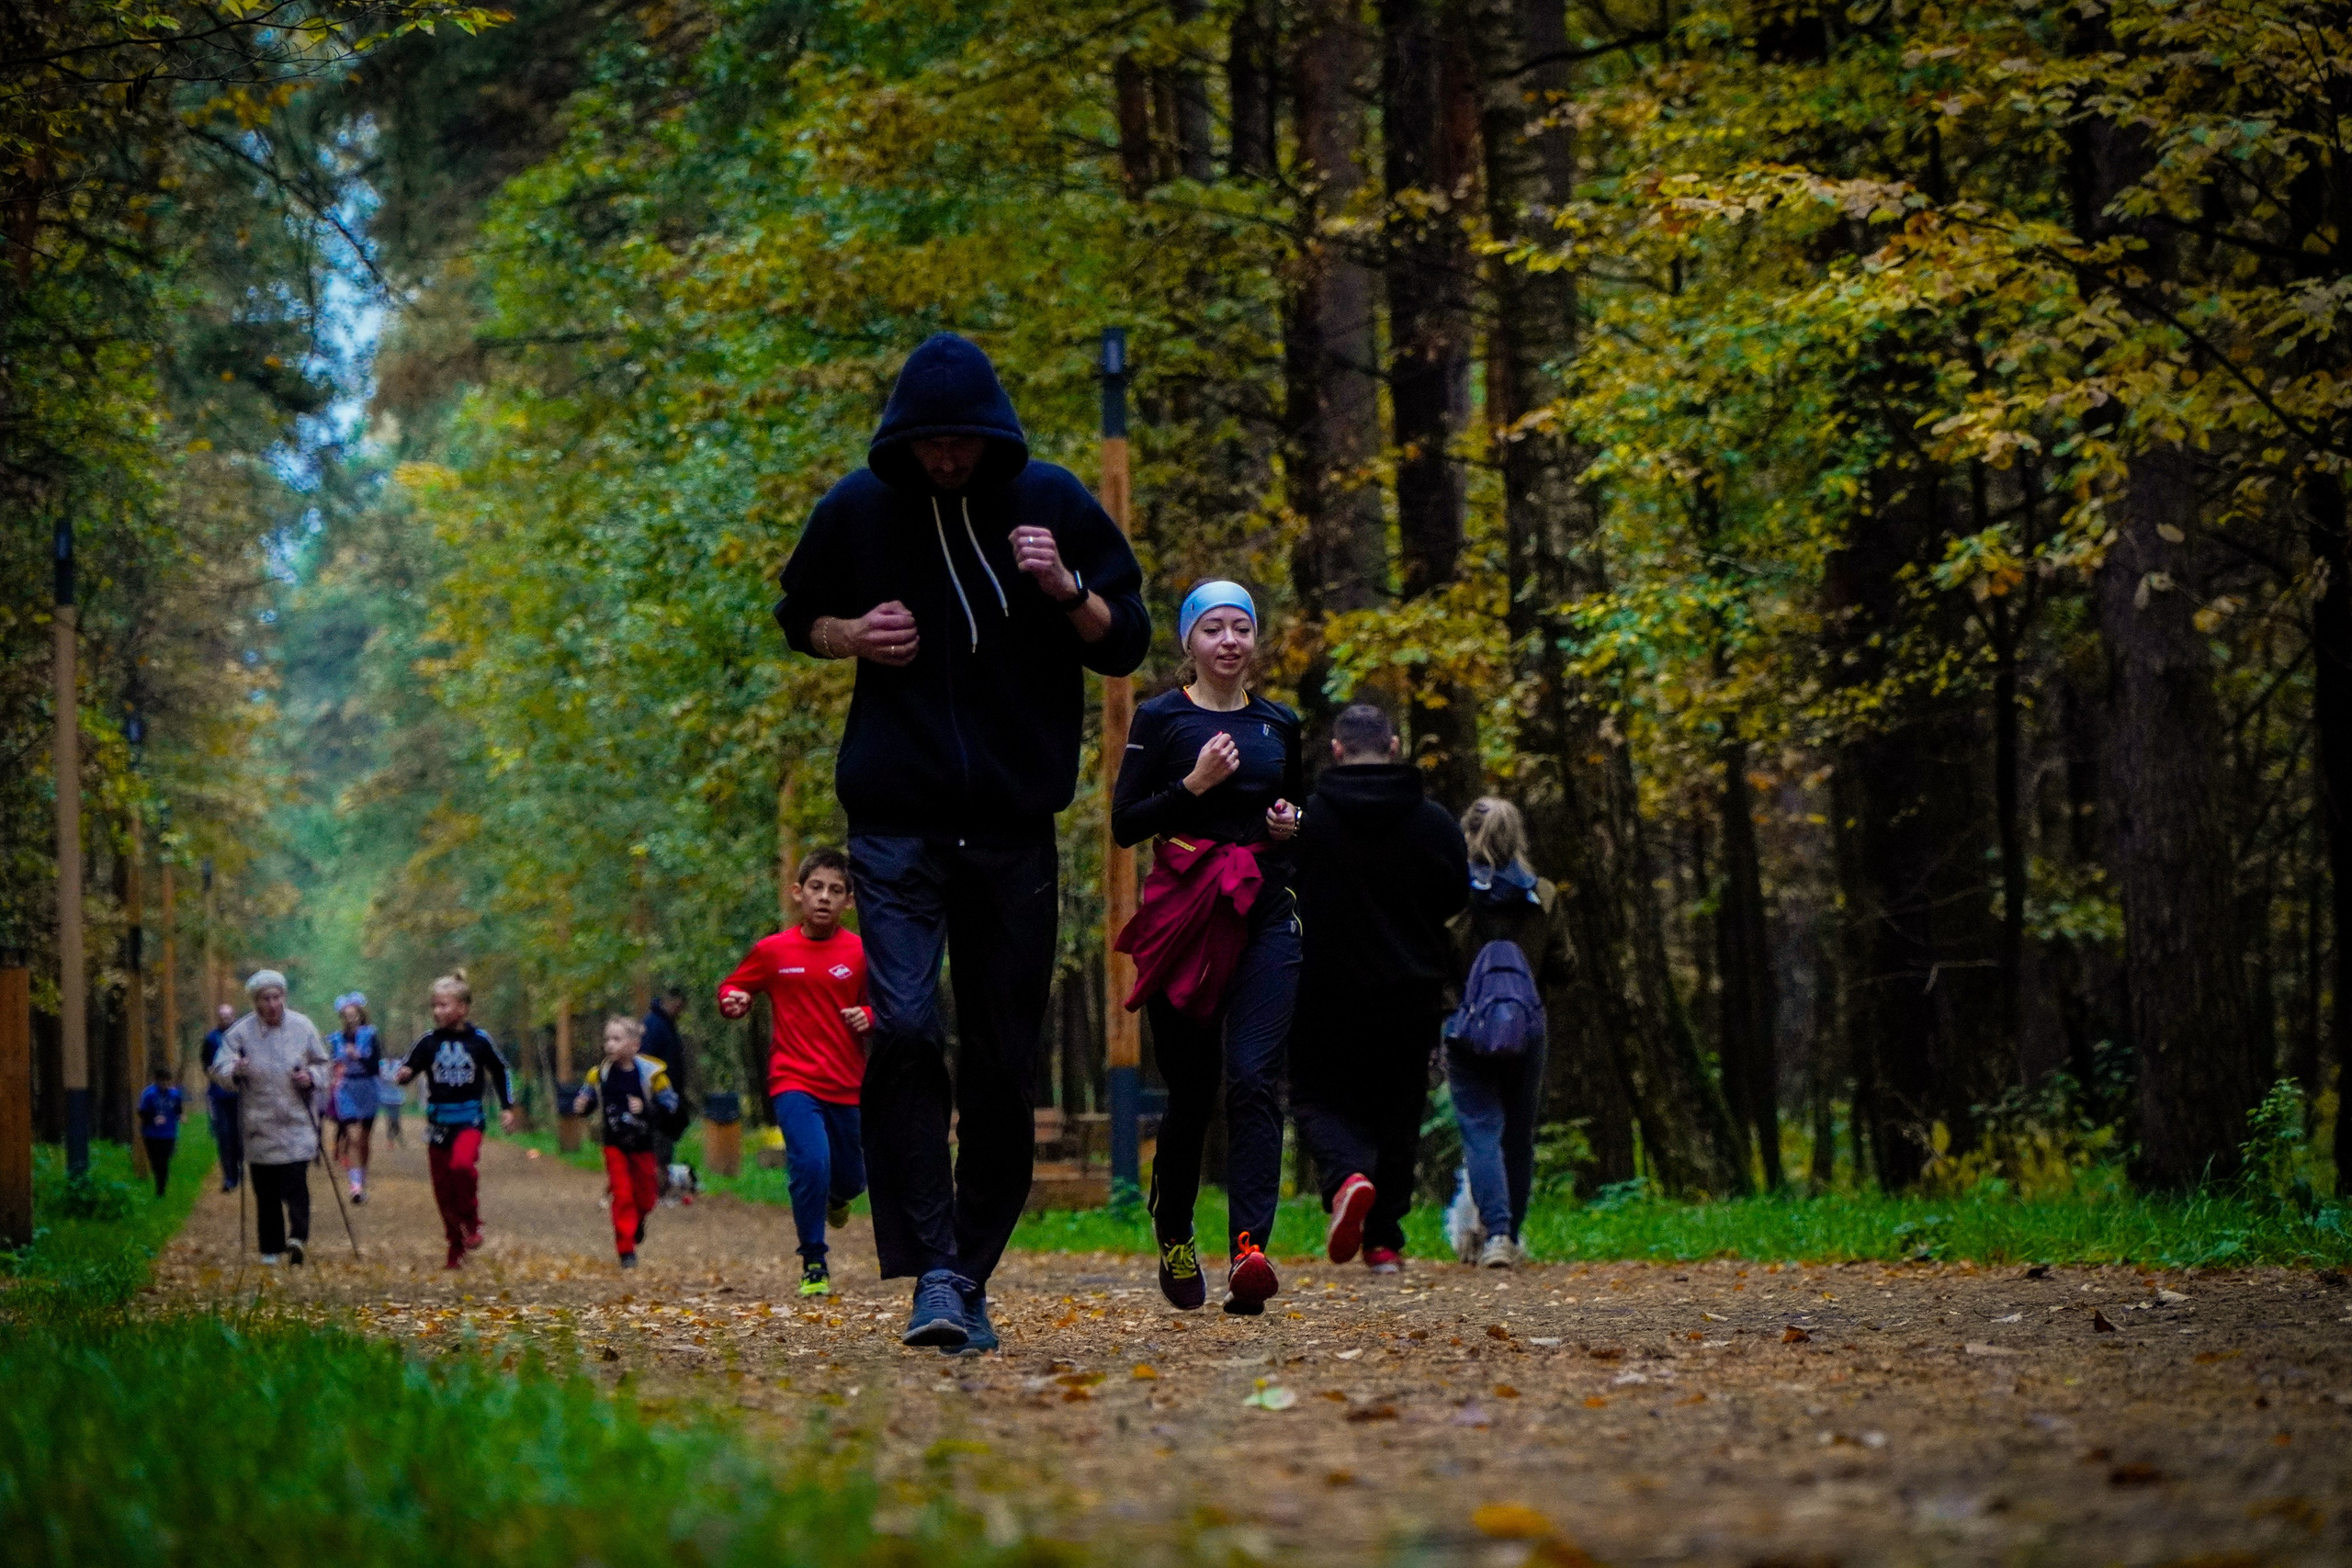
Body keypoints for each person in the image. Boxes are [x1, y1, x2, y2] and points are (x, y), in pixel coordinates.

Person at [774, 332, 1149, 1351]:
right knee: (897, 1026)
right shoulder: (859, 506)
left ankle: (963, 1270)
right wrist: (851, 635)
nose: (946, 460)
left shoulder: (1056, 501)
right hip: (894, 826)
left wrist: (1067, 589)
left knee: (1002, 1060)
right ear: (907, 438)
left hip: (1016, 829)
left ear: (991, 434)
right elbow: (794, 612)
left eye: (962, 444)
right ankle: (933, 1266)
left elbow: (1128, 638)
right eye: (929, 444)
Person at [1110, 581, 1301, 1315]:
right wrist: (1194, 783)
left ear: (1255, 640)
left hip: (1264, 914)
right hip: (1187, 916)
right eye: (1213, 628)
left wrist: (1289, 821)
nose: (1229, 640)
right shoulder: (1160, 718)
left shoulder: (1279, 724)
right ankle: (1175, 1230)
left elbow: (1296, 809)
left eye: (1242, 628)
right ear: (1189, 642)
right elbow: (1127, 823)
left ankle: (1250, 1249)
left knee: (1253, 1078)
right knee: (1193, 1092)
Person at [1288, 703, 1469, 1275]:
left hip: (1323, 991)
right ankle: (1384, 1241)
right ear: (1394, 746)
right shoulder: (1434, 823)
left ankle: (1346, 1179)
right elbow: (1454, 901)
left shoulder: (1307, 820)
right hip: (1409, 993)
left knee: (1317, 1097)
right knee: (1398, 1112)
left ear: (1336, 751)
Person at [718, 848, 872, 1300]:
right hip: (793, 1081)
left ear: (849, 901)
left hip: (848, 1083)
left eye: (836, 891)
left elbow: (890, 1001)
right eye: (816, 888)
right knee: (810, 1163)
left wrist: (870, 1014)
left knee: (851, 1179)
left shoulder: (862, 952)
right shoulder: (773, 950)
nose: (824, 898)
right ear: (798, 892)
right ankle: (814, 1260)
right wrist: (733, 1002)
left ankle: (838, 1198)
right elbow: (734, 986)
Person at [1444, 797, 1572, 1268]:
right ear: (1517, 836)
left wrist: (1451, 1009)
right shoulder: (1543, 894)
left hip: (1465, 1030)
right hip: (1525, 1032)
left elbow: (1437, 958)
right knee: (1518, 1137)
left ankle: (1491, 1230)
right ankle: (1507, 1238)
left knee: (1480, 1132)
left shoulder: (1453, 892)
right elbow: (1564, 965)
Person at [395, 970, 516, 1270]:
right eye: (434, 1006)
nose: (438, 1011)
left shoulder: (479, 1041)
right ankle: (455, 1244)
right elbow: (409, 1067)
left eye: (444, 1005)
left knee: (462, 1166)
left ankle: (472, 1221)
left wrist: (506, 1107)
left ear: (463, 1008)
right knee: (442, 1188)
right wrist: (403, 1075)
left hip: (469, 1120)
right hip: (438, 1123)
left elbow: (500, 1072)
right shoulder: (428, 1042)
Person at [207, 971, 329, 1265]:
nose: (273, 1004)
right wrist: (235, 1070)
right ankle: (271, 1248)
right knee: (266, 1188)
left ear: (284, 997)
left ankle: (298, 1237)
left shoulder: (303, 1026)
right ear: (255, 1002)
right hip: (258, 1120)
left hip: (297, 1117)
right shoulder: (239, 1033)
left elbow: (324, 1064)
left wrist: (310, 1076)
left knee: (296, 1182)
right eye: (265, 999)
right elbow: (218, 1069)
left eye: (277, 997)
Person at [572, 1015, 679, 1270]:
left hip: (643, 1144)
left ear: (634, 1044)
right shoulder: (598, 1075)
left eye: (617, 1039)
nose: (610, 1044)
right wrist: (581, 1106)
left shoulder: (653, 1075)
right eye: (607, 1039)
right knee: (622, 1194)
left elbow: (671, 1104)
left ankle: (639, 1219)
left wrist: (647, 1107)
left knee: (645, 1197)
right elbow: (585, 1100)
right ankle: (626, 1249)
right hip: (614, 1144)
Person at [326, 993, 383, 1204]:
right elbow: (332, 1062)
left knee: (364, 1140)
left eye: (355, 1015)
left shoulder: (371, 1035)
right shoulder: (337, 1038)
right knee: (353, 1137)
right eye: (347, 1015)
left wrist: (358, 1056)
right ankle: (355, 1185)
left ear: (360, 1016)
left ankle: (362, 1177)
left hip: (368, 1087)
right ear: (343, 1017)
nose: (351, 1019)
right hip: (347, 1088)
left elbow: (376, 1066)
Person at [640, 987, 688, 1193]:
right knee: (657, 1141)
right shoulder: (653, 1025)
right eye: (678, 1005)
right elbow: (645, 1060)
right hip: (656, 1097)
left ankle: (659, 1185)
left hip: (669, 1096)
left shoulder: (667, 1025)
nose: (680, 1010)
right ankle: (653, 1186)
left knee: (665, 1139)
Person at [198, 1002, 243, 1192]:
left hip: (240, 1095)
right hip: (219, 1095)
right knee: (223, 1135)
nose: (226, 1020)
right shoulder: (211, 1039)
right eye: (222, 1017)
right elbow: (206, 1063)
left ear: (234, 1017)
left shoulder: (242, 1036)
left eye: (229, 1016)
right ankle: (229, 1176)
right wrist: (214, 1077)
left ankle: (240, 1167)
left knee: (239, 1134)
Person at [136, 1066, 184, 1199]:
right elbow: (141, 1111)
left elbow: (178, 1109)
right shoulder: (149, 1094)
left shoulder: (175, 1094)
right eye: (162, 1081)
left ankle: (161, 1189)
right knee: (155, 1161)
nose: (165, 1084)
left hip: (169, 1133)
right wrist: (153, 1118)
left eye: (167, 1081)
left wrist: (181, 1116)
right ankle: (159, 1180)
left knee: (164, 1160)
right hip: (151, 1134)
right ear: (156, 1080)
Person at [378, 1043, 407, 1146]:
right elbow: (381, 1077)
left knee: (396, 1118)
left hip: (397, 1096)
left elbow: (399, 1078)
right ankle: (392, 1139)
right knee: (390, 1118)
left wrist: (391, 1079)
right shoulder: (381, 1064)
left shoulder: (399, 1064)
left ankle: (397, 1136)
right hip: (385, 1096)